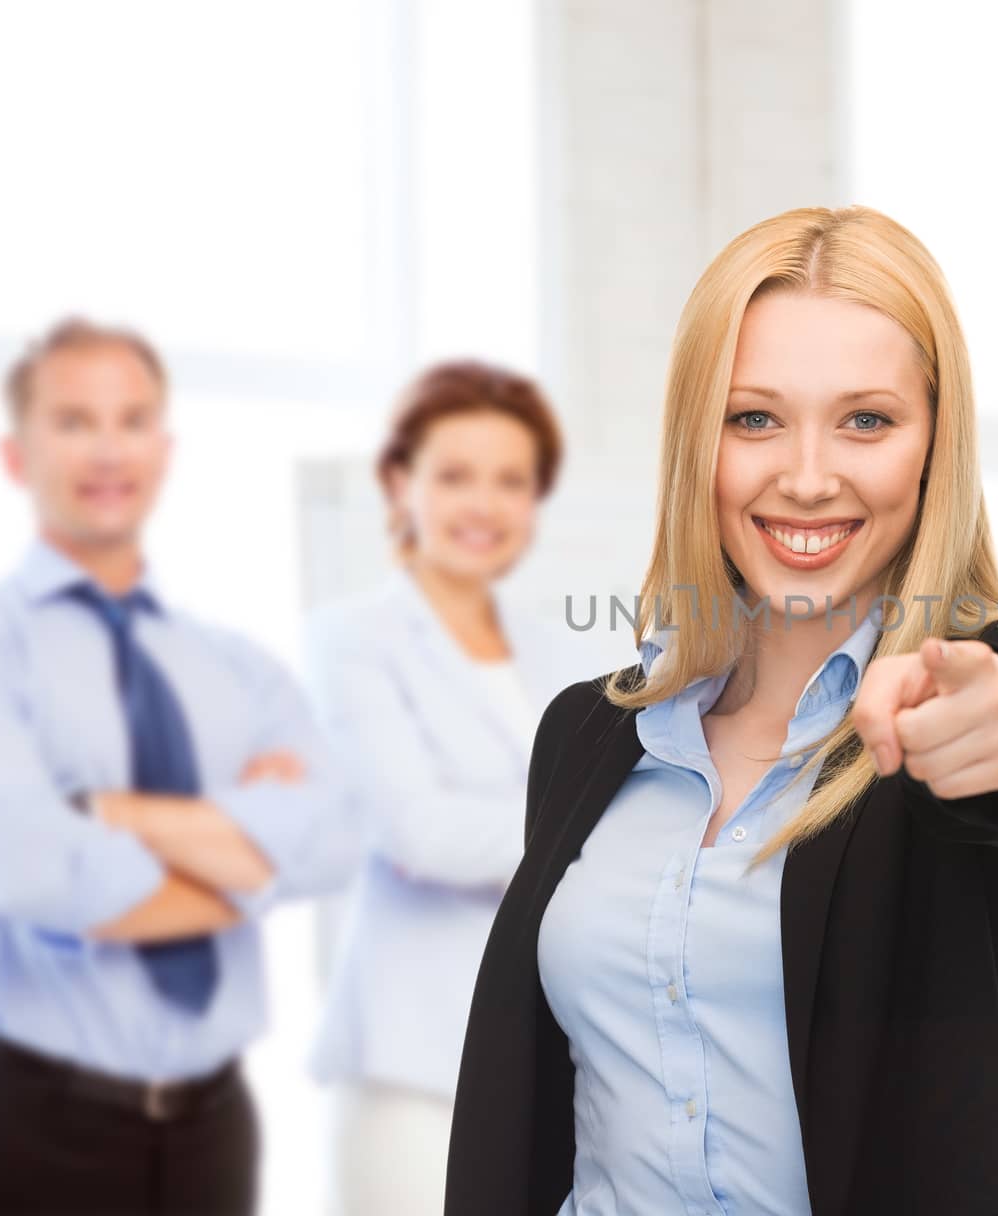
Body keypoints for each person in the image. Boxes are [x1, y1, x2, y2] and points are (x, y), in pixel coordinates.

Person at [442, 205, 998, 1216]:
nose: (808, 478)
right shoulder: (587, 734)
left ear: (932, 446)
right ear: (700, 440)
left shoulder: (997, 688)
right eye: (754, 418)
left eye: (866, 419)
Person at [0, 317, 358, 1216]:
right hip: (38, 1127)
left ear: (164, 449)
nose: (108, 447)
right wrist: (248, 854)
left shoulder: (237, 667)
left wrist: (112, 811)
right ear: (15, 454)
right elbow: (41, 872)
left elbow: (336, 838)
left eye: (132, 419)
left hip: (216, 1127)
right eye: (74, 420)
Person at [308, 359, 581, 1216]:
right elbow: (416, 830)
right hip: (416, 1064)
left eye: (512, 480)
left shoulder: (558, 655)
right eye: (455, 476)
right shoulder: (352, 640)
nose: (485, 506)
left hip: (552, 1055)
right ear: (399, 483)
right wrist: (585, 834)